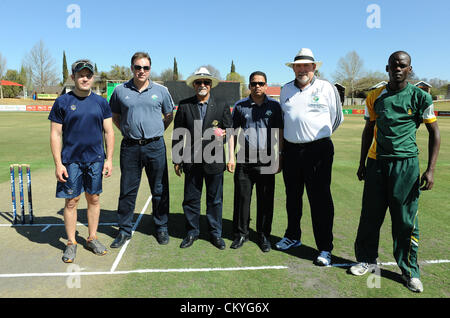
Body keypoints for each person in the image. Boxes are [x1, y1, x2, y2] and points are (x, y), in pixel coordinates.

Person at [349, 51, 440, 293]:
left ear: (410, 69)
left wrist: (430, 170)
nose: (398, 69)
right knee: (370, 216)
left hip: (406, 166)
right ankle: (367, 260)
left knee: (405, 221)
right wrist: (361, 163)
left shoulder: (421, 97)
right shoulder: (375, 96)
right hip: (376, 163)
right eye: (394, 65)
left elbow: (435, 134)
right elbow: (368, 130)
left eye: (403, 65)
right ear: (387, 68)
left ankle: (410, 271)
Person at [277, 48, 344, 266]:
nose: (302, 69)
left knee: (320, 200)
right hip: (292, 151)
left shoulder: (327, 88)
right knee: (292, 196)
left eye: (306, 65)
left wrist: (316, 138)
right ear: (293, 68)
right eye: (298, 66)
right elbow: (286, 119)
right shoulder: (285, 89)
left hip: (318, 151)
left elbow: (336, 119)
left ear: (314, 67)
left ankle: (325, 248)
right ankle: (292, 237)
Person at [49, 59, 115, 263]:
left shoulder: (101, 102)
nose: (84, 78)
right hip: (71, 162)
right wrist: (58, 163)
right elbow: (55, 134)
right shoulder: (62, 102)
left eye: (88, 75)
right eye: (80, 75)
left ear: (92, 77)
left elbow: (109, 131)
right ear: (73, 77)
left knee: (94, 199)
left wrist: (109, 159)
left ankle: (92, 237)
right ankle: (71, 243)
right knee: (72, 201)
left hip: (95, 160)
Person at [109, 52, 174, 248]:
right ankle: (124, 230)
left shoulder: (161, 91)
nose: (141, 71)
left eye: (145, 68)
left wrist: (157, 131)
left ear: (150, 69)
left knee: (160, 189)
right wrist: (128, 132)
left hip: (155, 146)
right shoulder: (120, 91)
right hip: (130, 147)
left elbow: (169, 115)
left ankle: (161, 227)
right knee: (128, 190)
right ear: (132, 68)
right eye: (138, 67)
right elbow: (115, 117)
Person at [172, 67, 234, 250]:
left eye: (206, 82)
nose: (202, 85)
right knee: (191, 199)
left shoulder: (222, 105)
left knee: (215, 200)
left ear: (211, 85)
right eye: (198, 82)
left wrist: (231, 156)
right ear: (193, 85)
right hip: (191, 160)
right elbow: (178, 134)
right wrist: (177, 159)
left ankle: (215, 234)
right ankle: (192, 232)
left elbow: (229, 132)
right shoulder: (184, 105)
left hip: (215, 160)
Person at [230, 71, 283, 252]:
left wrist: (279, 156)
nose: (257, 86)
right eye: (253, 83)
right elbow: (231, 132)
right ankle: (241, 234)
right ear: (249, 86)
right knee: (242, 199)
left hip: (267, 158)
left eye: (260, 83)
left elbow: (280, 132)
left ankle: (263, 235)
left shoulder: (275, 107)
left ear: (266, 85)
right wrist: (230, 156)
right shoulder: (240, 106)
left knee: (265, 199)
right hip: (244, 158)